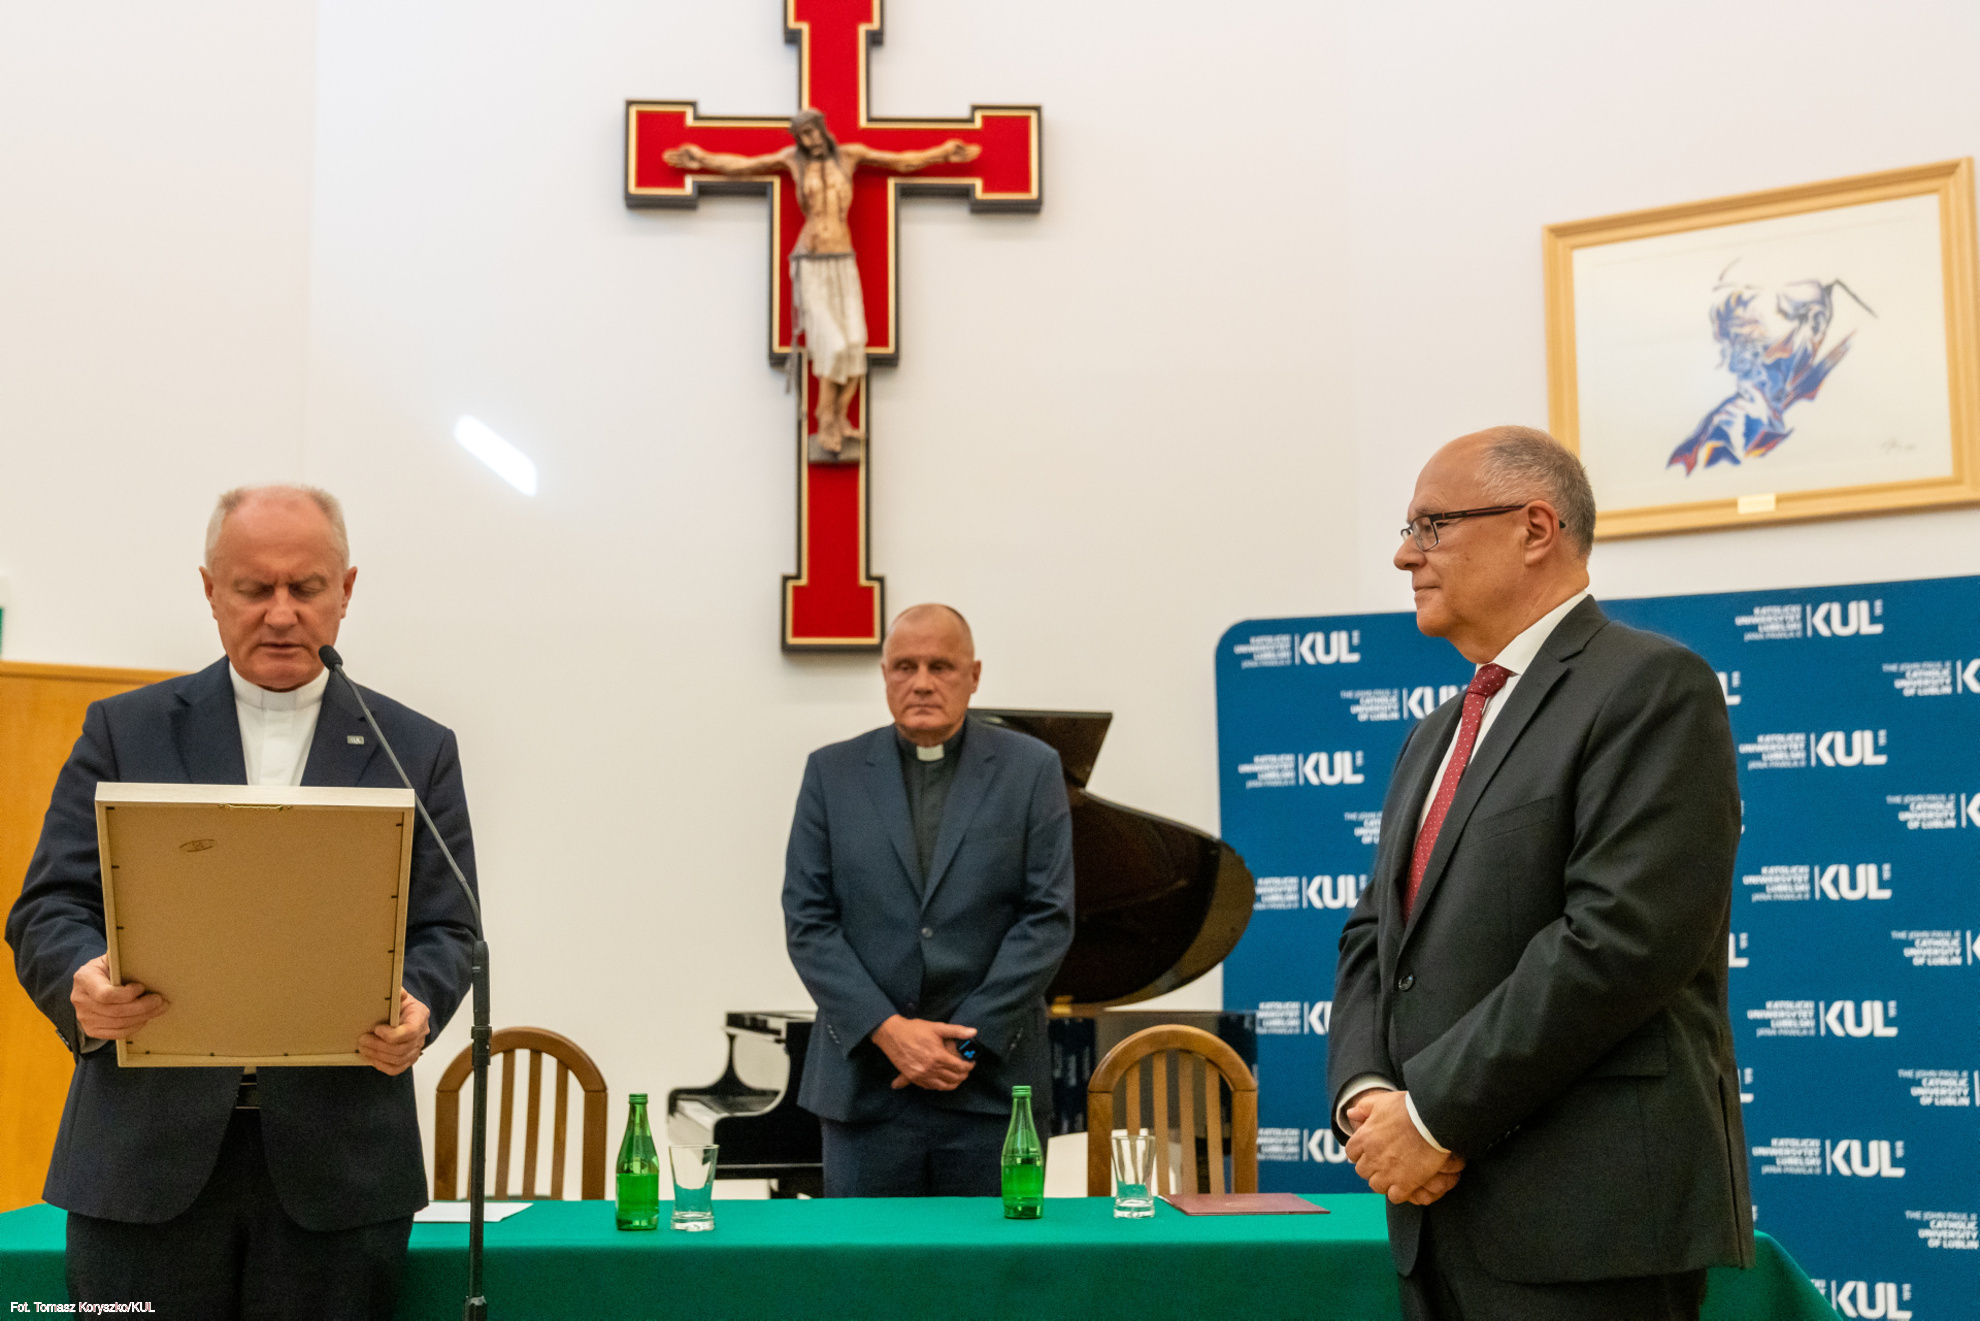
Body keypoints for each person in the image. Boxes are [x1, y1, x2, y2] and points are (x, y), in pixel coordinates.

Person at [6, 485, 479, 1320]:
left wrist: (419, 1001)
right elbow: (47, 905)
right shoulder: (126, 730)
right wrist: (81, 979)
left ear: (347, 589)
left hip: (341, 1168)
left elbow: (449, 926)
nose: (282, 613)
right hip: (143, 1160)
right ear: (210, 590)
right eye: (255, 588)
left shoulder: (414, 746)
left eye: (307, 587)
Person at [1328, 427, 1752, 1320]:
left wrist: (1432, 1114)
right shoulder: (1434, 734)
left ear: (1534, 527)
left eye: (1432, 525)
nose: (1406, 554)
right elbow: (1375, 934)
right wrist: (1369, 1097)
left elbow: (1619, 941)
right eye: (1408, 528)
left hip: (1587, 1229)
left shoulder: (1651, 686)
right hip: (1434, 1221)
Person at [782, 603, 1074, 1196]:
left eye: (941, 666)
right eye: (905, 666)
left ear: (974, 675)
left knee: (993, 1258)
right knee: (864, 1258)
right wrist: (889, 1032)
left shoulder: (1031, 770)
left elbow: (1047, 918)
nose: (921, 682)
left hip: (992, 1088)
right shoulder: (831, 773)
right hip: (865, 1089)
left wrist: (964, 1041)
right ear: (885, 675)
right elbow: (808, 921)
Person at [664, 110, 980, 458]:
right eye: (803, 135)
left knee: (855, 344)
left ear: (823, 129)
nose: (810, 140)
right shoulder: (792, 160)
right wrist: (702, 158)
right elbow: (744, 165)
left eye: (814, 132)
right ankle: (823, 418)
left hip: (844, 261)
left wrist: (942, 153)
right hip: (811, 262)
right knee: (833, 344)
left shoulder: (850, 155)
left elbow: (901, 161)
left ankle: (840, 417)